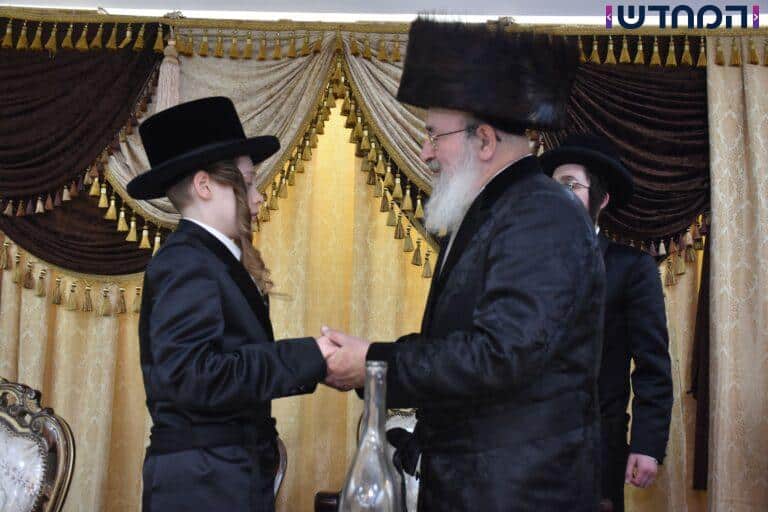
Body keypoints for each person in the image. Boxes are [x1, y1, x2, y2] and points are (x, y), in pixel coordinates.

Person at [321, 19, 605, 511]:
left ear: (485, 141)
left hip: (516, 495)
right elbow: (459, 344)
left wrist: (374, 364)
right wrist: (374, 361)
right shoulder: (497, 210)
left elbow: (499, 354)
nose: (425, 153)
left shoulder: (541, 215)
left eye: (434, 135)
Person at [126, 96, 336, 511]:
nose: (258, 198)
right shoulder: (186, 261)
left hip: (221, 478)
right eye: (249, 182)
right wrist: (311, 356)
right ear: (204, 186)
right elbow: (193, 376)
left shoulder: (208, 258)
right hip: (203, 487)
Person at [540, 133, 673, 512]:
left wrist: (646, 445)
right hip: (526, 444)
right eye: (553, 186)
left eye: (570, 185)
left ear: (602, 199)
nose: (558, 196)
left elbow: (652, 365)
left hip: (597, 446)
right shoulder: (525, 263)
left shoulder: (631, 269)